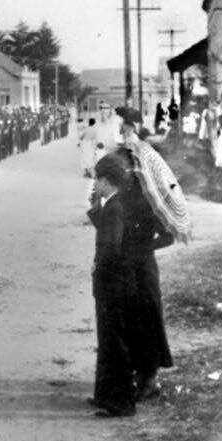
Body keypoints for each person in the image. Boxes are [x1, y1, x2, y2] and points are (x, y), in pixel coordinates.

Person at [112, 107, 176, 402]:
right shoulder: (122, 196)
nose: (128, 167)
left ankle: (149, 380)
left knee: (147, 319)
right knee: (127, 320)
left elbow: (168, 236)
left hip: (143, 268)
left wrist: (141, 247)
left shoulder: (153, 196)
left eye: (131, 163)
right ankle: (135, 377)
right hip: (124, 265)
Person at [87, 154, 136, 418]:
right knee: (107, 340)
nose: (95, 183)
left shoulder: (115, 208)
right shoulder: (114, 203)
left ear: (106, 180)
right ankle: (105, 396)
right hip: (115, 282)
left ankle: (122, 403)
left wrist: (100, 269)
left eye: (97, 179)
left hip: (113, 284)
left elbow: (111, 247)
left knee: (114, 342)